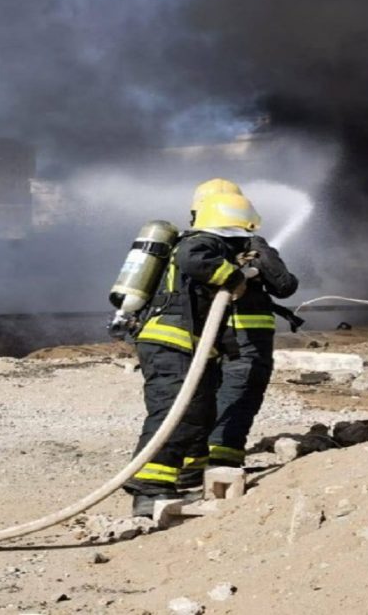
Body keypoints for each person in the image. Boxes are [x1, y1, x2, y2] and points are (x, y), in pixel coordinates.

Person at [124, 180, 260, 517]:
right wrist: (234, 277)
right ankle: (149, 487)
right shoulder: (201, 243)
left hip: (189, 346)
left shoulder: (210, 243)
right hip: (170, 344)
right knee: (175, 412)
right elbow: (192, 259)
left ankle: (187, 474)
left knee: (200, 412)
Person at [201, 180, 299, 472]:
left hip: (201, 336)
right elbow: (284, 286)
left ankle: (192, 460)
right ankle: (222, 463)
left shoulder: (192, 247)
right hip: (246, 337)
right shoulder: (251, 244)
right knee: (240, 393)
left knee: (200, 393)